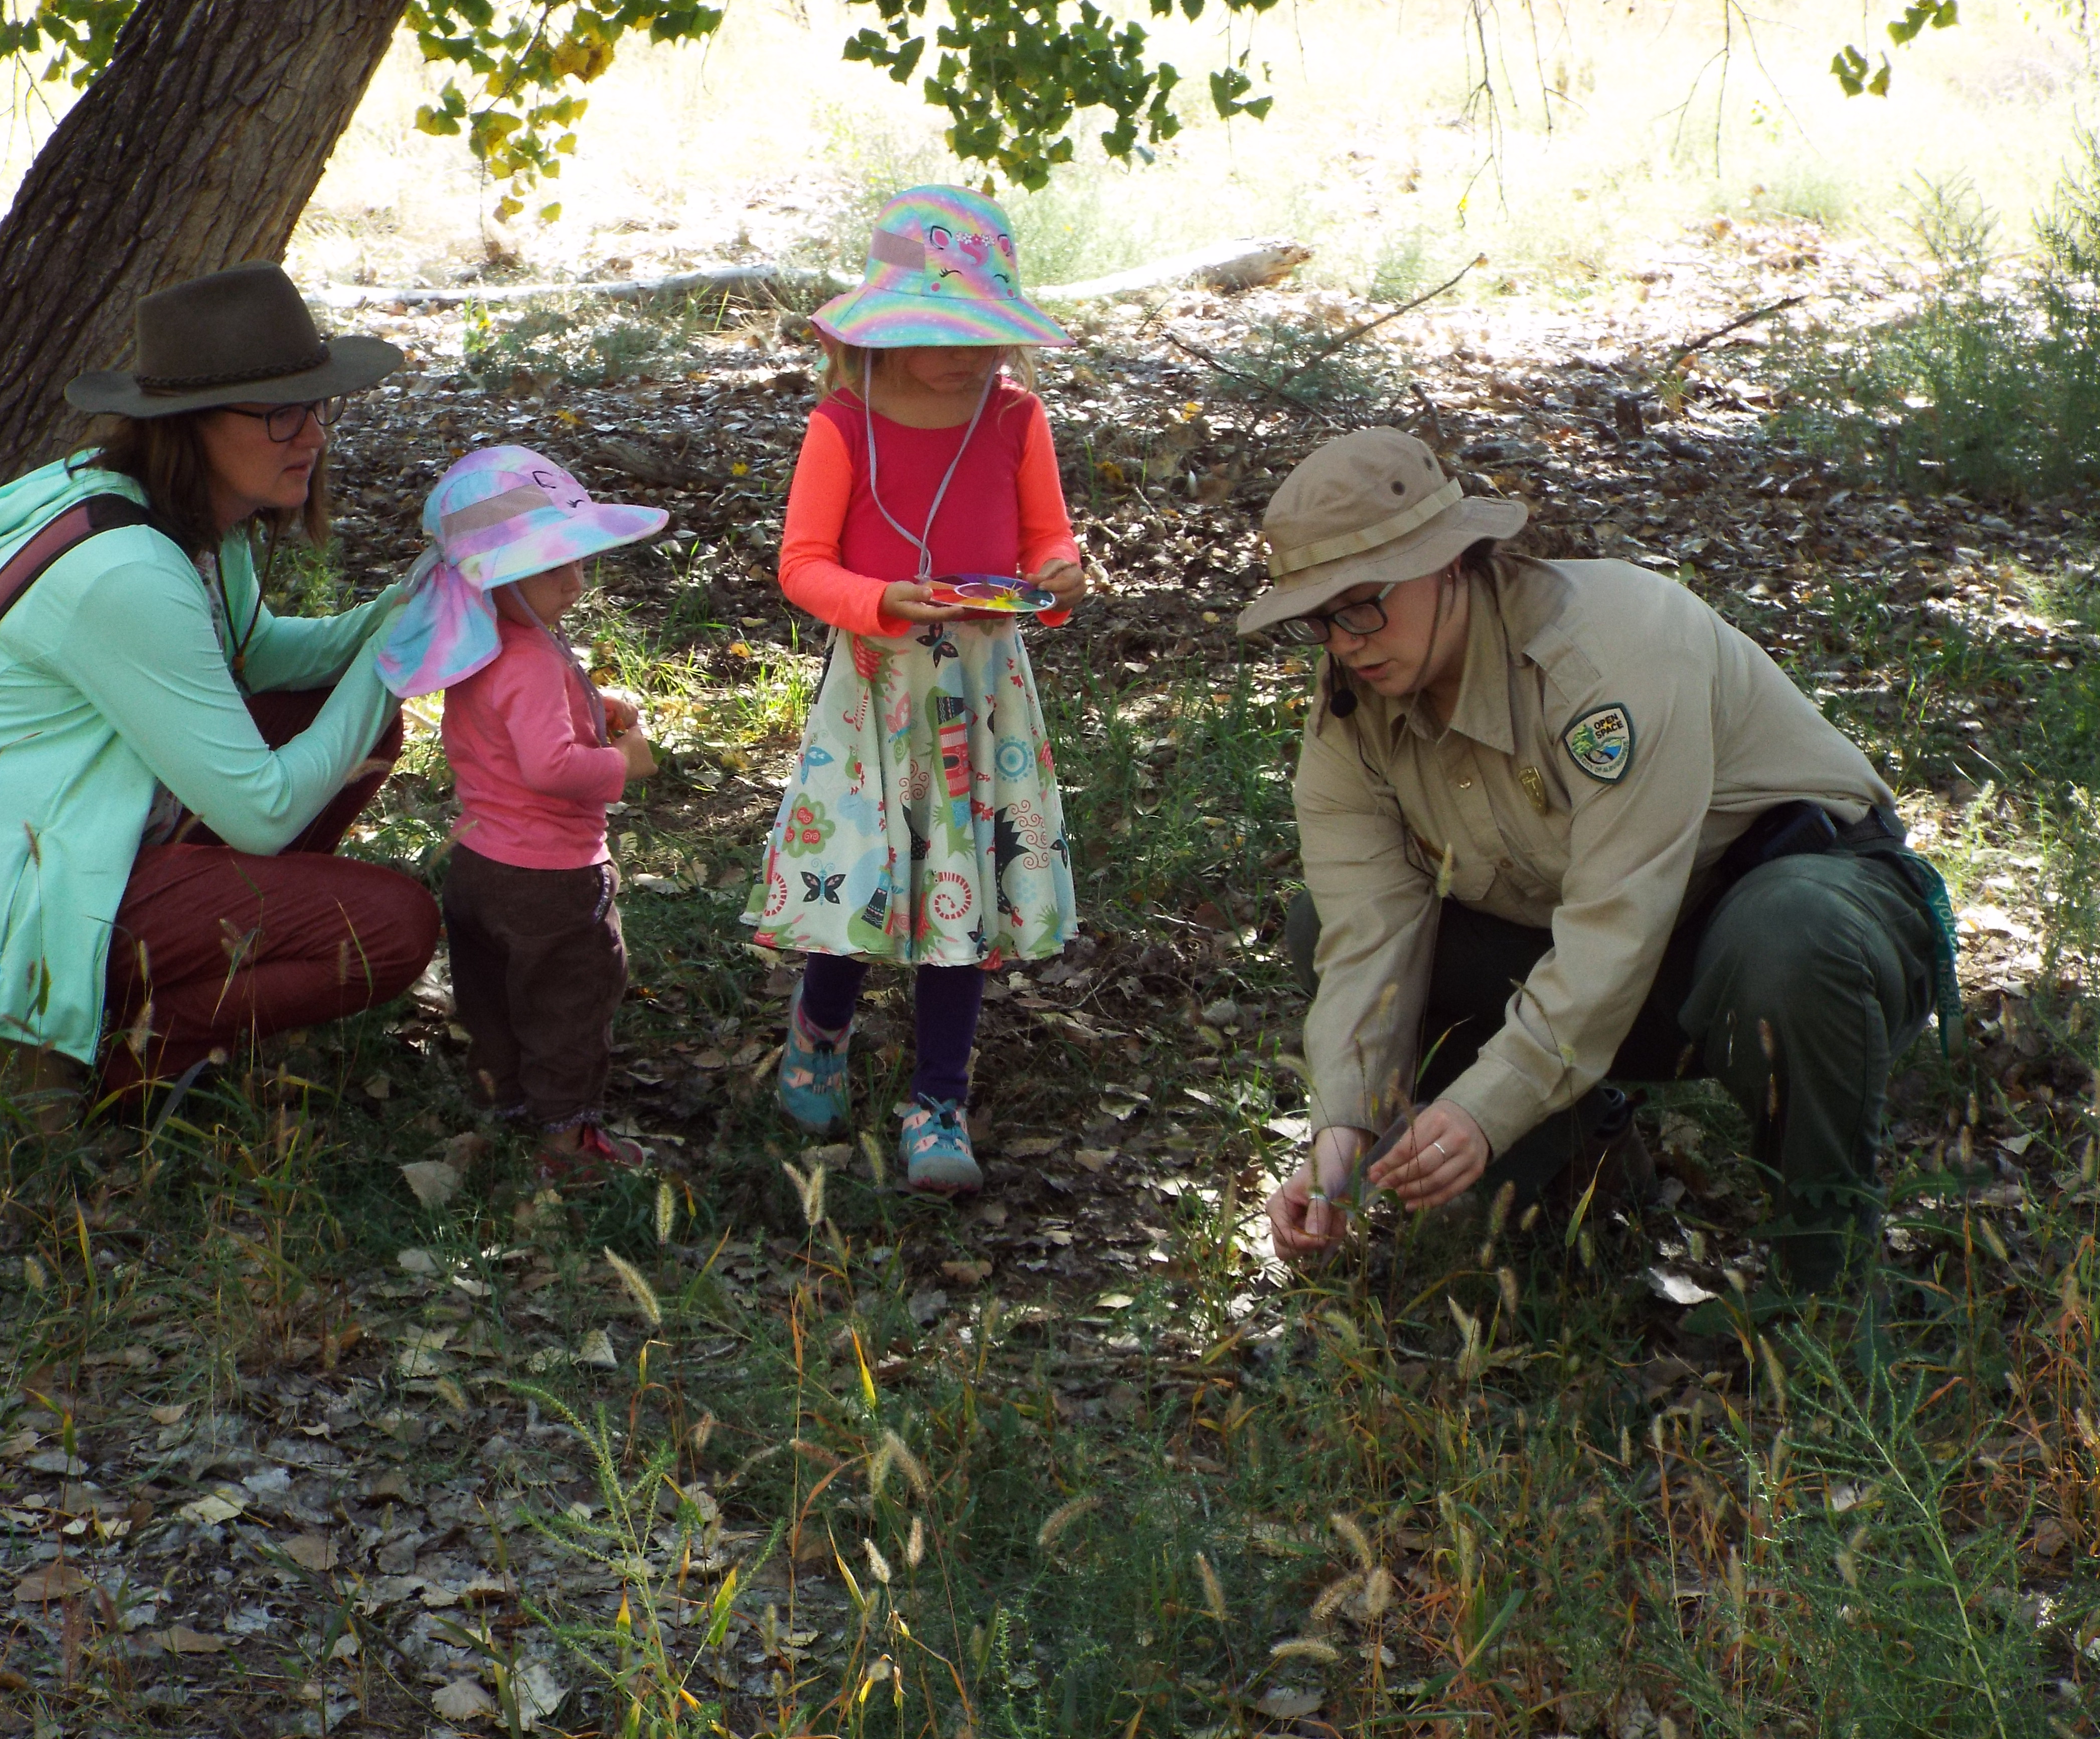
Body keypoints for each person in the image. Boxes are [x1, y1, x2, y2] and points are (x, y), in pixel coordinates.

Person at [1248, 428, 1957, 1292]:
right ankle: (1579, 1172)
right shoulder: (1350, 725)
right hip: (1606, 967)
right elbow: (1366, 942)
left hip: (1783, 930)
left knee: (1793, 933)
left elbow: (1619, 919)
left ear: (1450, 564)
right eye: (1320, 618)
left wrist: (1481, 1108)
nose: (1346, 641)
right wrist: (1340, 1146)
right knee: (1315, 921)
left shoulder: (1611, 651)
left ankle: (1826, 1278)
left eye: (1364, 604)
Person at [0, 261, 439, 1125]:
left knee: (348, 725)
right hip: (22, 892)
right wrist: (389, 660)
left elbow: (255, 654)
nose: (314, 437)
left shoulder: (175, 517)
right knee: (393, 927)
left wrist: (406, 608)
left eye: (318, 406)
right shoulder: (129, 572)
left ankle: (197, 974)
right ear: (189, 424)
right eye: (280, 413)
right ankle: (125, 1052)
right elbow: (263, 814)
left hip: (87, 825)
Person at [743, 185, 1087, 1196]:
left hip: (982, 689)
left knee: (960, 886)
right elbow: (802, 563)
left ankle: (939, 1099)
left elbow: (1045, 538)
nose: (975, 358)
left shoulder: (1018, 417)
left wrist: (1060, 571)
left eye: (990, 335)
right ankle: (821, 1027)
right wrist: (885, 600)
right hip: (877, 687)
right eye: (950, 332)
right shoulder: (843, 425)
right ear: (886, 330)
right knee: (863, 872)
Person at [375, 447, 664, 1178]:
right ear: (494, 576)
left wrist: (595, 707)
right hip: (552, 878)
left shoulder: (476, 644)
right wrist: (621, 762)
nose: (575, 583)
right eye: (551, 569)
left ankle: (506, 1101)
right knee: (569, 1001)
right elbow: (549, 766)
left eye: (579, 562)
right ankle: (566, 1141)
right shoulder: (531, 657)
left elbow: (506, 732)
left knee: (494, 993)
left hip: (480, 864)